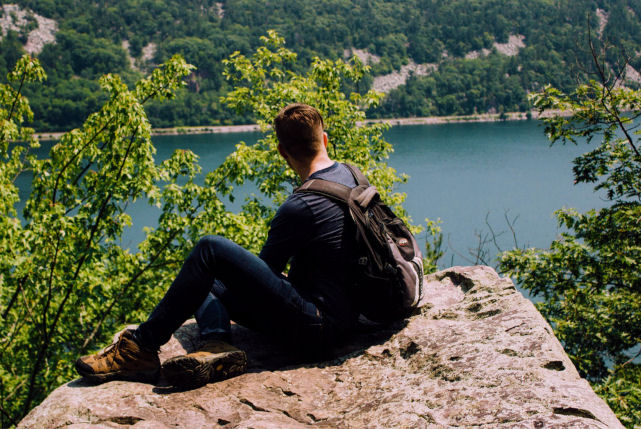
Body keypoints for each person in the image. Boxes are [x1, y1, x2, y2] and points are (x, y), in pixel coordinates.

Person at [75, 103, 361, 388]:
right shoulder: (352, 176)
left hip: (320, 330)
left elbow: (258, 282)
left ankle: (140, 348)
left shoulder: (300, 206)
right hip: (350, 318)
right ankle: (216, 343)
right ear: (324, 139)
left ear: (282, 152)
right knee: (200, 278)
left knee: (209, 250)